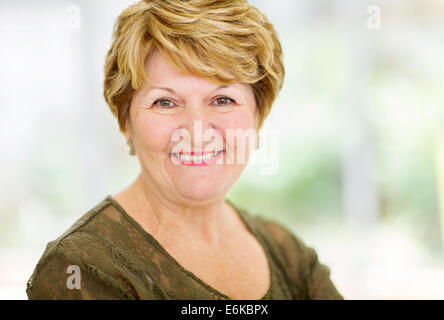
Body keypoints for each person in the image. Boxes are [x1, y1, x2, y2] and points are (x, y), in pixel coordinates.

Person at [26, 0, 343, 300]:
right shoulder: (81, 268)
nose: (196, 131)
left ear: (258, 117)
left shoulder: (289, 255)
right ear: (126, 121)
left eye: (222, 100)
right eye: (165, 102)